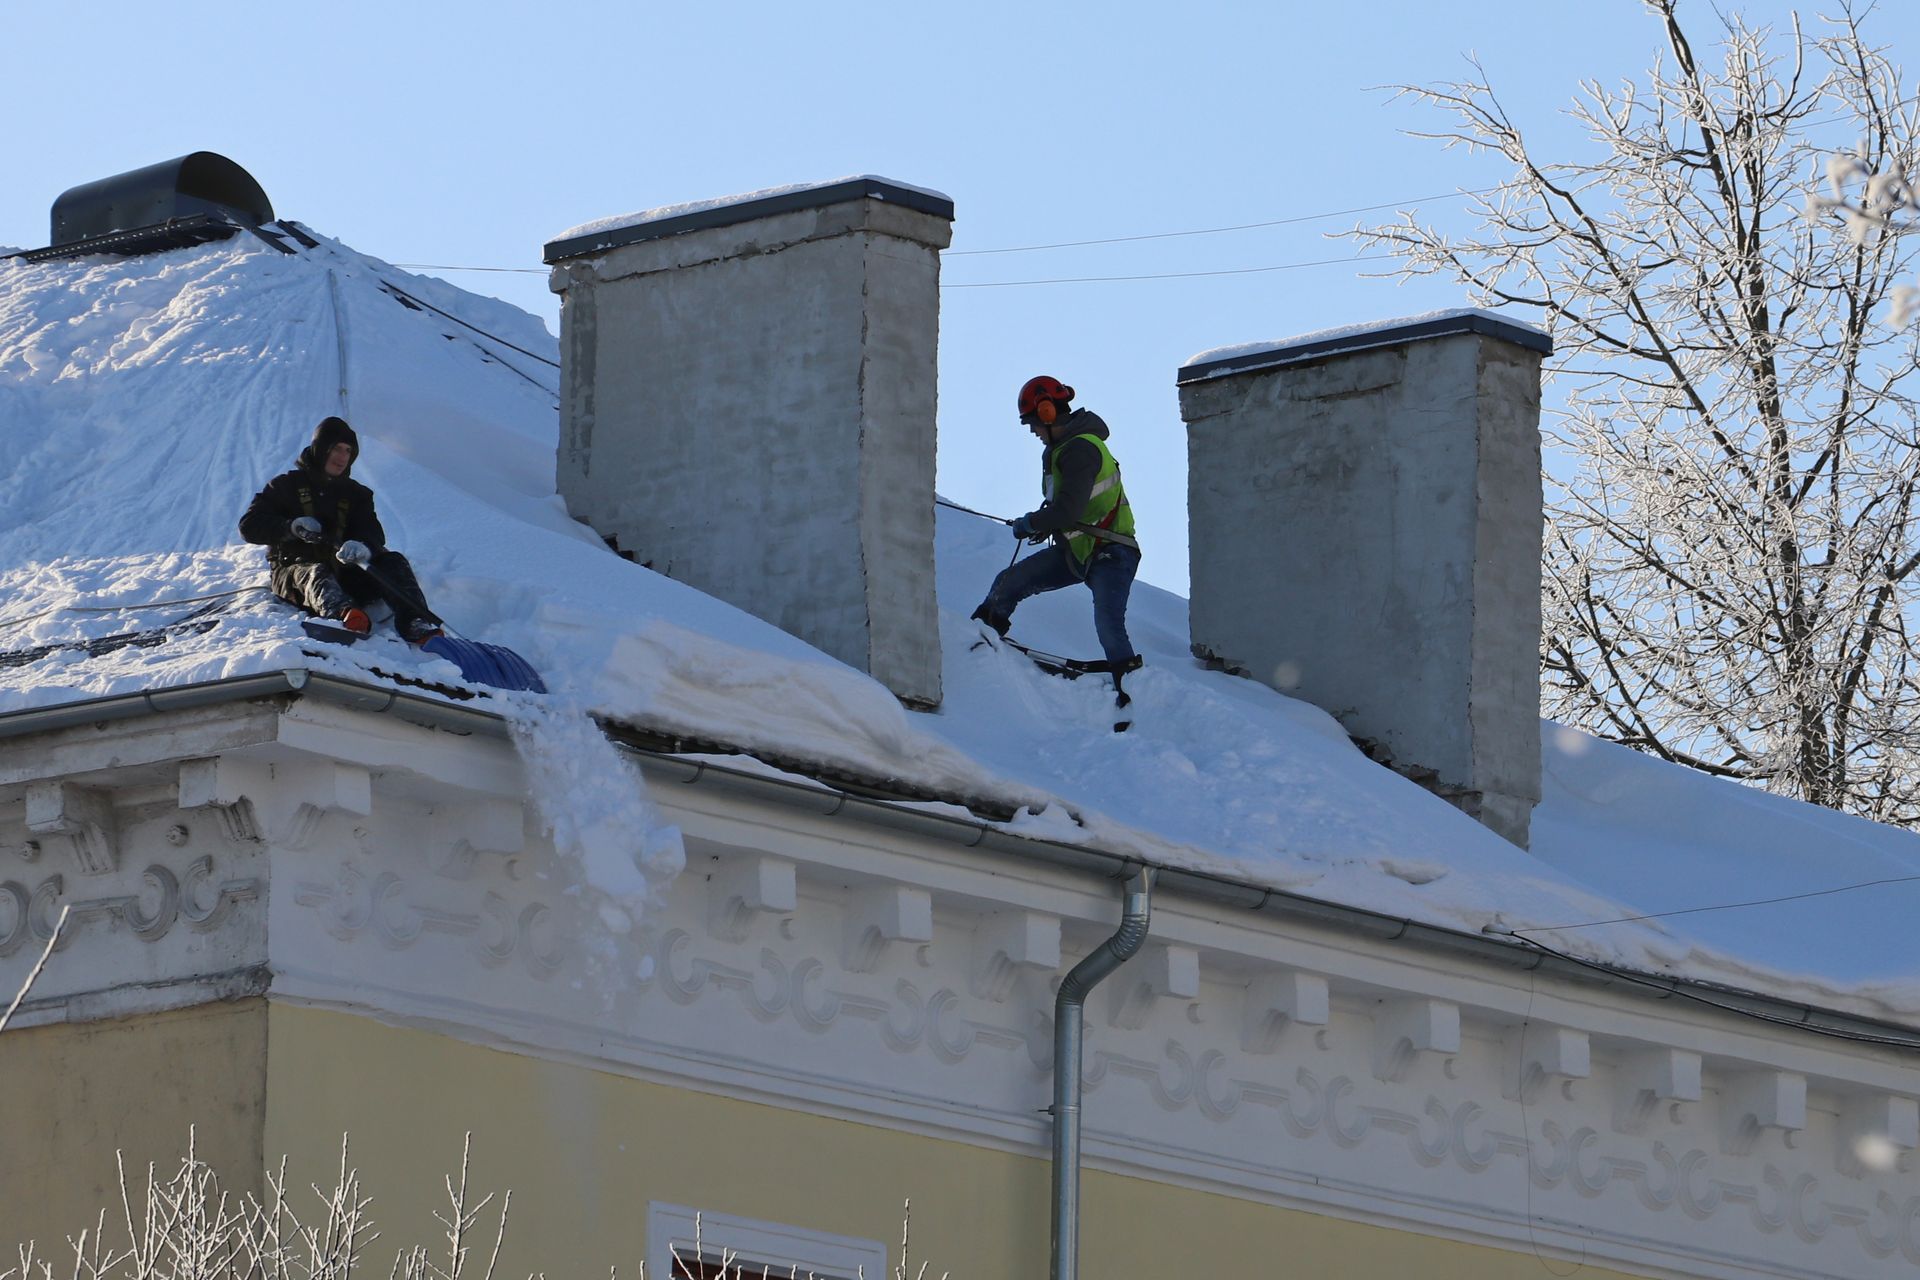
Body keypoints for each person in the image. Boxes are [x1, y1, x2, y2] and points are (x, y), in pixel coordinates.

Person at [970, 376, 1141, 673]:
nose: (1034, 431)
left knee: (1108, 621)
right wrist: (1042, 524)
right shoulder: (1062, 450)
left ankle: (1127, 681)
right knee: (1008, 582)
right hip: (1078, 550)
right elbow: (1071, 510)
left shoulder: (1079, 449)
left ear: (1048, 413)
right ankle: (977, 639)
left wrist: (1031, 524)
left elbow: (1067, 510)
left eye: (1033, 423)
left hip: (1112, 553)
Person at [239, 416, 443, 643]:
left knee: (393, 561)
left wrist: (363, 546)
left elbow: (372, 531)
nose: (342, 457)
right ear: (320, 448)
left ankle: (415, 622)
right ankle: (345, 618)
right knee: (315, 572)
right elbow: (249, 526)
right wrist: (291, 527)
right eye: (336, 448)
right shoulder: (285, 486)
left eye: (348, 451)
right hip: (295, 575)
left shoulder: (358, 495)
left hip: (344, 575)